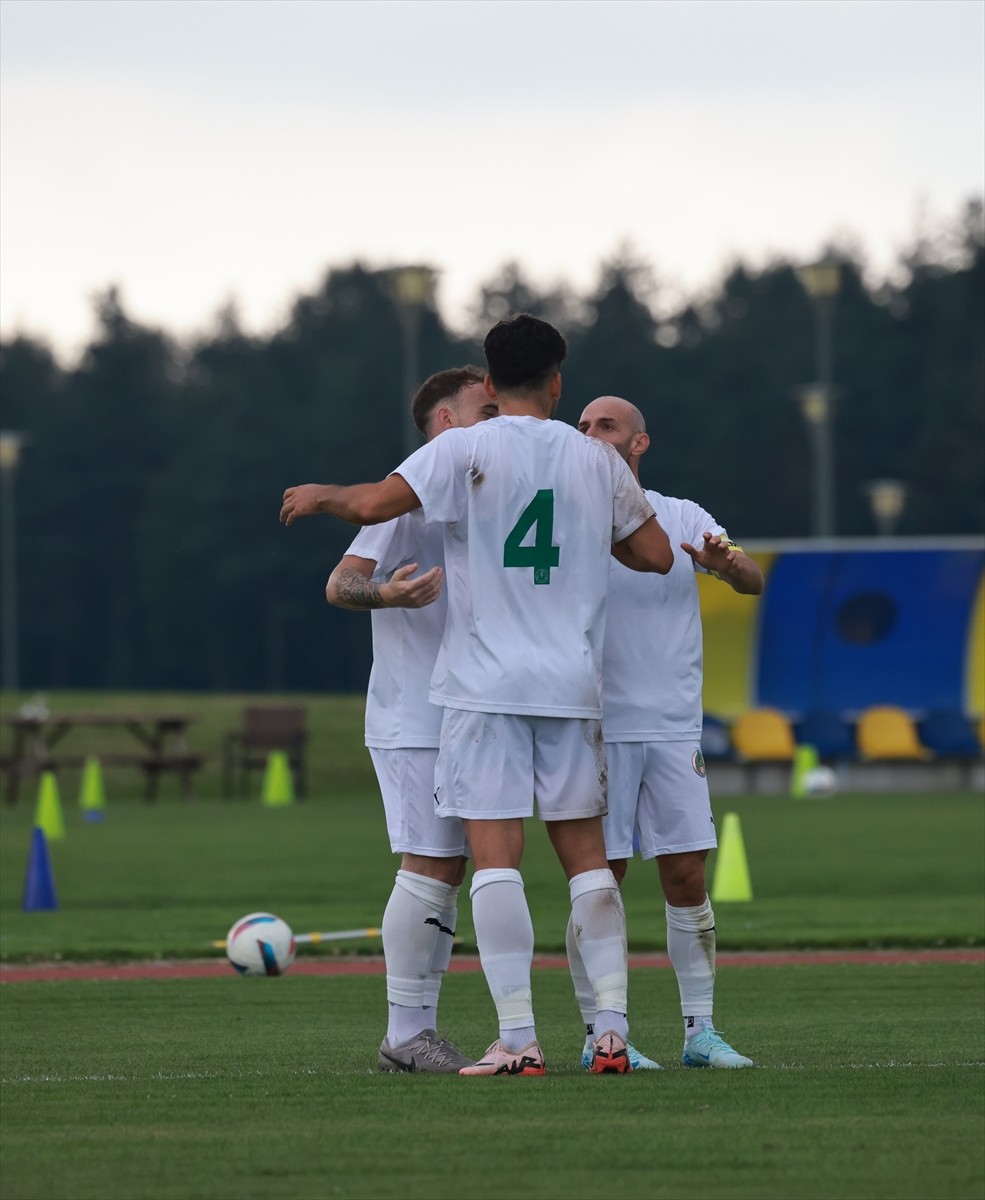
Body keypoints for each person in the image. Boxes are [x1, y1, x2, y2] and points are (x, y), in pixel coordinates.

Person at [281, 314, 673, 1076]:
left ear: (490, 385)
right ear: (559, 382)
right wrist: (599, 530)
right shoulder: (596, 461)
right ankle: (610, 1032)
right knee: (588, 862)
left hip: (484, 685)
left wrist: (325, 495)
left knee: (493, 861)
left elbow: (371, 507)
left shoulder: (462, 448)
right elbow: (654, 555)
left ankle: (519, 1040)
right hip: (571, 683)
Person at [570, 394, 764, 1070]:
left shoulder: (681, 515)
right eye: (584, 426)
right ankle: (602, 1032)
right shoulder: (568, 518)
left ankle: (699, 1033)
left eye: (607, 426)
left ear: (638, 443)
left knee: (686, 877)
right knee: (600, 881)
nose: (592, 435)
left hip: (673, 727)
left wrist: (726, 563)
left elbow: (749, 576)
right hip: (596, 727)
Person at [320, 366, 494, 1073]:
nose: (503, 417)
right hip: (414, 713)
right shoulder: (405, 501)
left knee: (450, 864)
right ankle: (404, 1033)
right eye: (487, 408)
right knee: (430, 862)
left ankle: (417, 1030)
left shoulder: (495, 498)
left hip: (472, 706)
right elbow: (339, 584)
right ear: (447, 425)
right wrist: (386, 596)